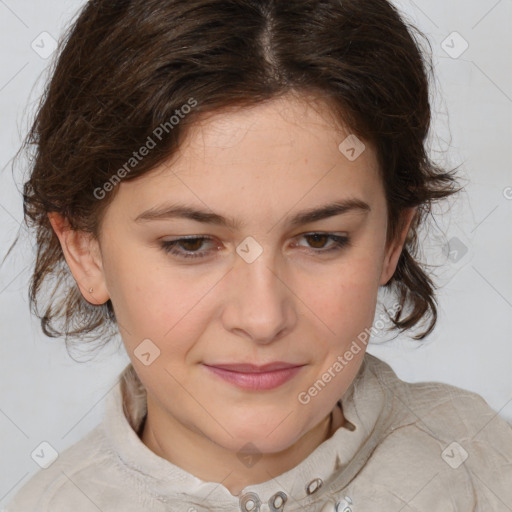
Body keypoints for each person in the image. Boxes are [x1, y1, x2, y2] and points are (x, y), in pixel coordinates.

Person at [4, 0, 512, 510]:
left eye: (320, 239)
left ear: (392, 239)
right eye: (191, 244)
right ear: (85, 251)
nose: (263, 318)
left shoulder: (483, 466)